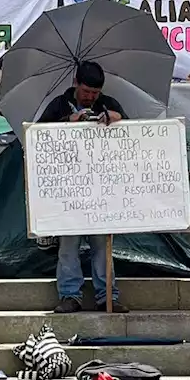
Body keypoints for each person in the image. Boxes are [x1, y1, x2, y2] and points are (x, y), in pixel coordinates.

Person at [40, 61, 128, 314]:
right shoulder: (58, 105)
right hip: (68, 189)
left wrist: (117, 117)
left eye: (95, 93)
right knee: (68, 246)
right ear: (76, 84)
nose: (90, 97)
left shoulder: (109, 104)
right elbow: (39, 136)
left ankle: (107, 295)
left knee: (102, 245)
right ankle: (69, 295)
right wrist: (69, 120)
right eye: (87, 91)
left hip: (102, 189)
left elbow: (132, 134)